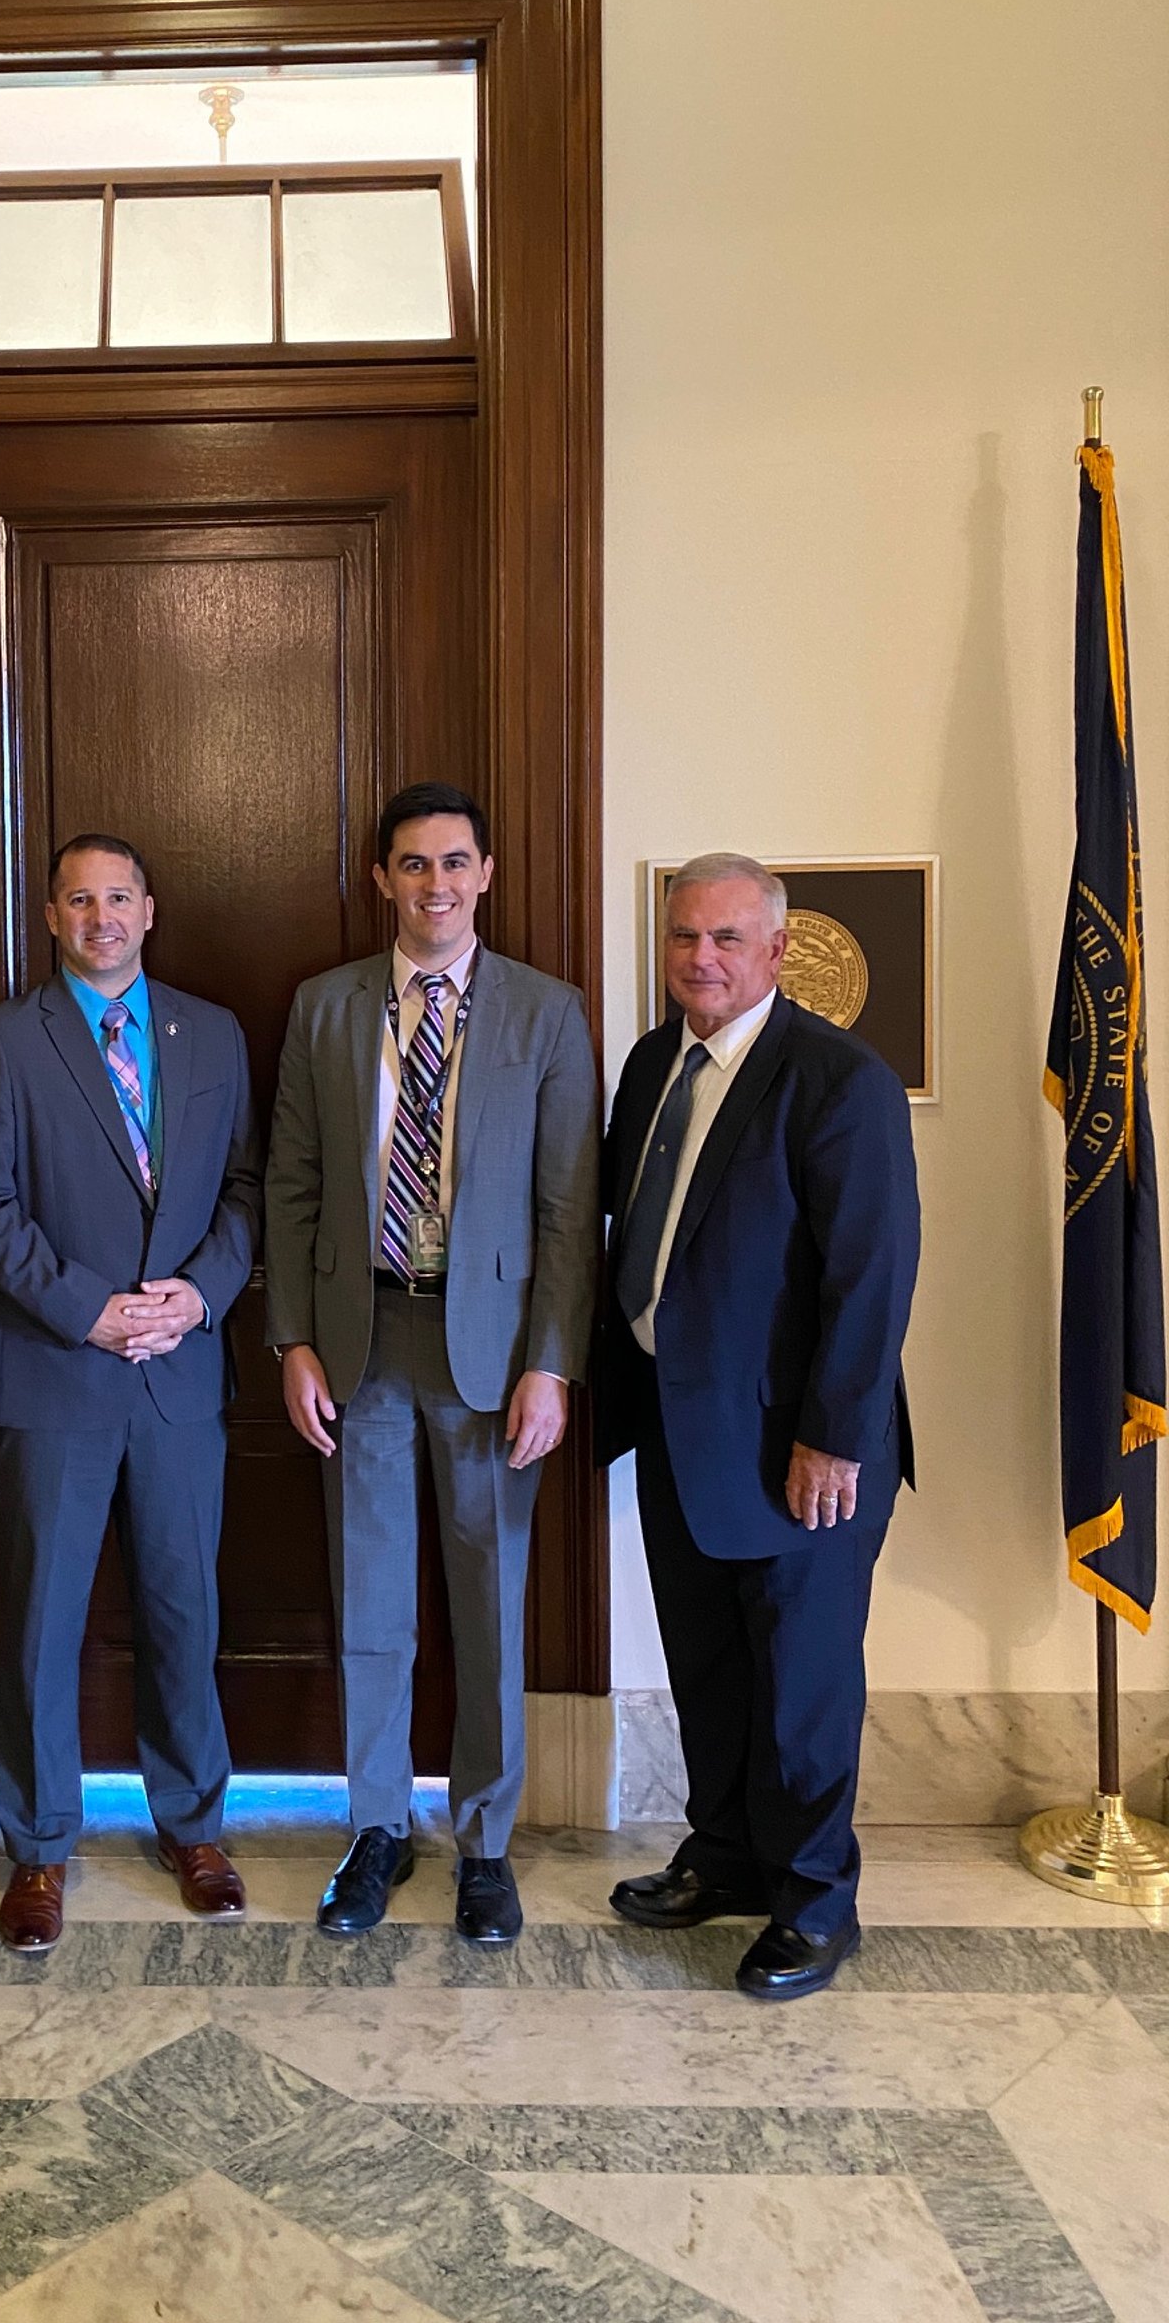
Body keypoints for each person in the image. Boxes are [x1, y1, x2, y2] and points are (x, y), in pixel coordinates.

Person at [264, 783, 598, 1943]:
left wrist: (551, 1364)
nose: (435, 885)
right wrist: (293, 1339)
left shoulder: (547, 1015)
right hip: (361, 1341)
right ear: (381, 879)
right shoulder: (326, 1008)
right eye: (413, 865)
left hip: (492, 1351)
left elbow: (568, 1209)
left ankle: (487, 1845)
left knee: (490, 1602)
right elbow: (295, 1185)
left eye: (455, 863)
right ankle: (373, 1831)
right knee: (370, 1600)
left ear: (486, 874)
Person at [595, 852, 919, 2000]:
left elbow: (871, 1279)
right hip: (681, 1436)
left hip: (800, 1454)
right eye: (685, 937)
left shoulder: (838, 1079)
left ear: (778, 951)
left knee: (803, 1686)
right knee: (714, 1670)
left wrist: (835, 1437)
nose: (703, 958)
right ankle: (726, 1857)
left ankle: (818, 1902)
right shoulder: (649, 1066)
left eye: (728, 938)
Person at [0, 834, 260, 1952]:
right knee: (39, 1625)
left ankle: (196, 1827)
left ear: (149, 909)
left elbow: (248, 1187)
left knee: (185, 1612)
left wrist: (197, 1296)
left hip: (179, 1373)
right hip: (51, 1373)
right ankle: (37, 1847)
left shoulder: (210, 1032)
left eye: (118, 896)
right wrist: (88, 1306)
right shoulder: (2, 1039)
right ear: (53, 917)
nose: (101, 915)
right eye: (80, 899)